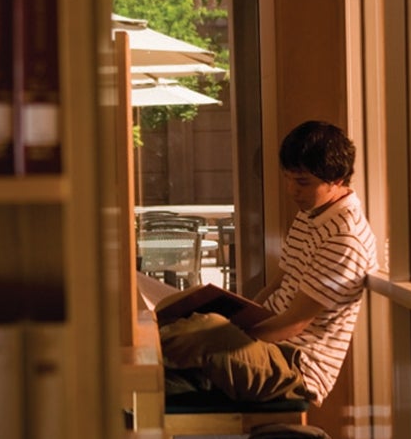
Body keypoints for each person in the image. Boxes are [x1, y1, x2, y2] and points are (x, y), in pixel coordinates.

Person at [157, 120, 378, 405]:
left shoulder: (344, 238)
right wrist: (240, 317)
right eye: (288, 178)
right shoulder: (311, 214)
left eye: (302, 182)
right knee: (186, 317)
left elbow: (296, 322)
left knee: (204, 328)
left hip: (295, 368)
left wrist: (235, 335)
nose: (291, 190)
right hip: (268, 347)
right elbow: (279, 282)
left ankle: (146, 353)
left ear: (337, 179)